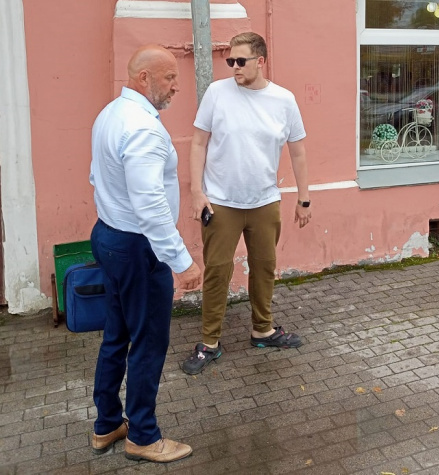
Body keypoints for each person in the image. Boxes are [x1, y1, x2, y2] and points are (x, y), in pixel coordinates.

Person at [89, 44, 201, 463]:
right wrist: (182, 262)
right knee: (149, 342)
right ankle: (143, 436)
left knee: (116, 336)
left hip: (109, 236)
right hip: (137, 248)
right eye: (169, 77)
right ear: (143, 78)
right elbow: (150, 206)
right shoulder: (143, 129)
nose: (176, 86)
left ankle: (107, 425)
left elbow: (96, 176)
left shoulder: (111, 114)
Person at [182, 32, 311, 375]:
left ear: (261, 61)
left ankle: (262, 330)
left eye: (241, 61)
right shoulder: (217, 93)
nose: (235, 67)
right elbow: (198, 143)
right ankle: (209, 343)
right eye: (231, 61)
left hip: (264, 201)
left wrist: (304, 198)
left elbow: (297, 151)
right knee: (217, 271)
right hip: (220, 203)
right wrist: (197, 191)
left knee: (265, 267)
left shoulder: (283, 100)